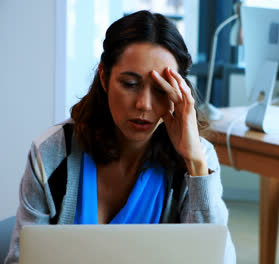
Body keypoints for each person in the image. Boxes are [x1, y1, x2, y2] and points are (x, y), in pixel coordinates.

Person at [4, 10, 235, 264]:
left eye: (160, 89)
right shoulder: (50, 154)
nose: (144, 104)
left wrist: (195, 164)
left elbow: (216, 260)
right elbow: (20, 260)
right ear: (104, 76)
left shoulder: (198, 160)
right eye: (130, 83)